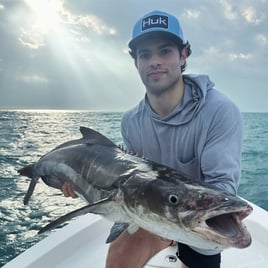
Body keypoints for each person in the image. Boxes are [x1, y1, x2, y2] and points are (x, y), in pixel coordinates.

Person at [62, 10, 243, 268]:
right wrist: (79, 184)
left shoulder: (219, 111)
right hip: (150, 213)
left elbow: (222, 186)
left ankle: (176, 244)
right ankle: (166, 239)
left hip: (197, 222)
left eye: (165, 51)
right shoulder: (131, 122)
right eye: (145, 54)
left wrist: (177, 226)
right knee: (118, 260)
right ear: (136, 62)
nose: (154, 61)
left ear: (183, 55)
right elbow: (133, 181)